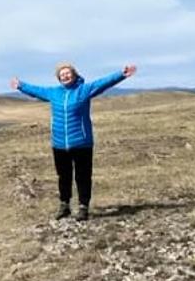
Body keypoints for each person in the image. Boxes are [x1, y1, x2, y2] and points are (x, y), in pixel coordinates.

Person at [10, 62, 137, 221]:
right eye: (61, 75)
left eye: (67, 73)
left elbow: (103, 83)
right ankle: (64, 205)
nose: (65, 76)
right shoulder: (54, 93)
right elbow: (36, 91)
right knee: (63, 177)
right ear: (59, 78)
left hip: (82, 143)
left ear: (74, 74)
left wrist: (121, 74)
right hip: (59, 143)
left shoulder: (83, 90)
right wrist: (20, 85)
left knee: (83, 176)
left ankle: (83, 207)